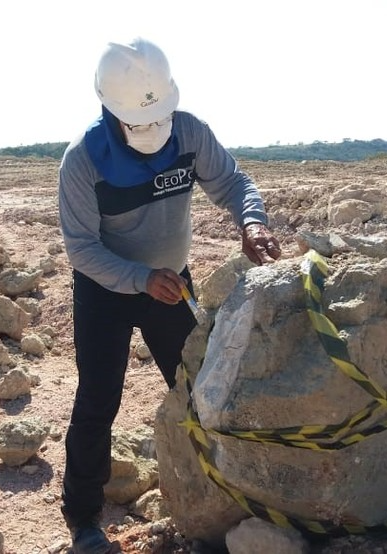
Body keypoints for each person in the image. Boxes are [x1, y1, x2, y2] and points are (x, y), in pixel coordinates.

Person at [57, 37, 281, 554]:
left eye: (161, 120)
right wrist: (139, 278)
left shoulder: (189, 132)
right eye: (142, 125)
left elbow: (233, 182)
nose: (155, 134)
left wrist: (251, 220)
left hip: (171, 286)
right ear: (110, 109)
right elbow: (82, 250)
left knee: (201, 391)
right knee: (98, 400)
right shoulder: (83, 160)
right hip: (105, 291)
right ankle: (85, 519)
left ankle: (222, 496)